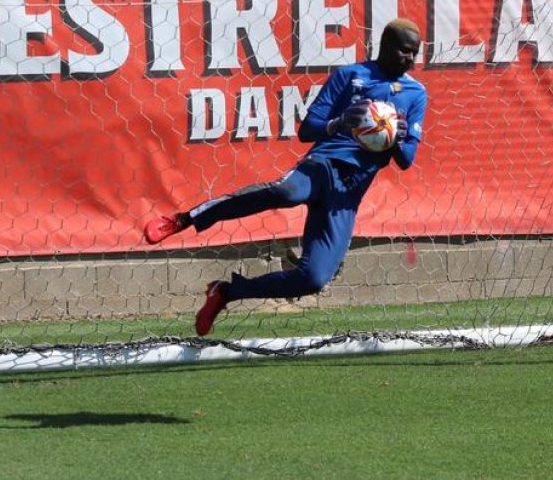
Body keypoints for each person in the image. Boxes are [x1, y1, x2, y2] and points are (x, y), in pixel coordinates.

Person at [143, 18, 427, 336]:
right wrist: (340, 123)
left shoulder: (416, 94)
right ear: (385, 46)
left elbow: (407, 160)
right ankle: (185, 219)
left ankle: (225, 292)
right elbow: (308, 129)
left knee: (314, 280)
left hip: (347, 192)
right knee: (287, 192)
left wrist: (396, 136)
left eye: (415, 53)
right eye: (405, 51)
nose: (411, 60)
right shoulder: (350, 76)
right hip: (322, 166)